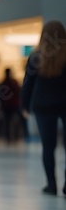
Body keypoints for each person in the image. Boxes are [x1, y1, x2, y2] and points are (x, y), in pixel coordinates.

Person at [21, 20, 66, 196]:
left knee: (49, 147)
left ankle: (51, 184)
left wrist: (24, 105)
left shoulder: (35, 57)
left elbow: (27, 84)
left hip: (43, 105)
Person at [0, 68, 22, 144]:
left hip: (7, 105)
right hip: (13, 105)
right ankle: (15, 136)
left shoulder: (3, 83)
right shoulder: (13, 83)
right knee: (15, 121)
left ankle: (8, 137)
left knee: (7, 122)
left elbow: (0, 96)